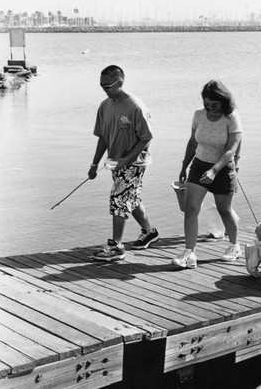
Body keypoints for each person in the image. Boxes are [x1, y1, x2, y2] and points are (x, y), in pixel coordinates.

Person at [88, 65, 159, 262]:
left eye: (108, 86)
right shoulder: (105, 106)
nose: (104, 90)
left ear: (119, 83)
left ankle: (116, 247)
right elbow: (102, 137)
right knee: (130, 197)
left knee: (118, 198)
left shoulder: (136, 106)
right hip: (114, 161)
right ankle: (150, 232)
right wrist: (94, 165)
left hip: (135, 163)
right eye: (101, 86)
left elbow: (146, 137)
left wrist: (127, 160)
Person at [172, 79, 243, 269]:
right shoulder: (198, 115)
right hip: (199, 165)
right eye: (207, 104)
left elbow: (231, 149)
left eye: (215, 105)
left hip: (222, 168)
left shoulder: (232, 118)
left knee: (224, 210)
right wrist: (184, 166)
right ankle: (189, 253)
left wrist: (214, 170)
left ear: (224, 102)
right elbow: (193, 142)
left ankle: (234, 246)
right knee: (191, 209)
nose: (210, 108)